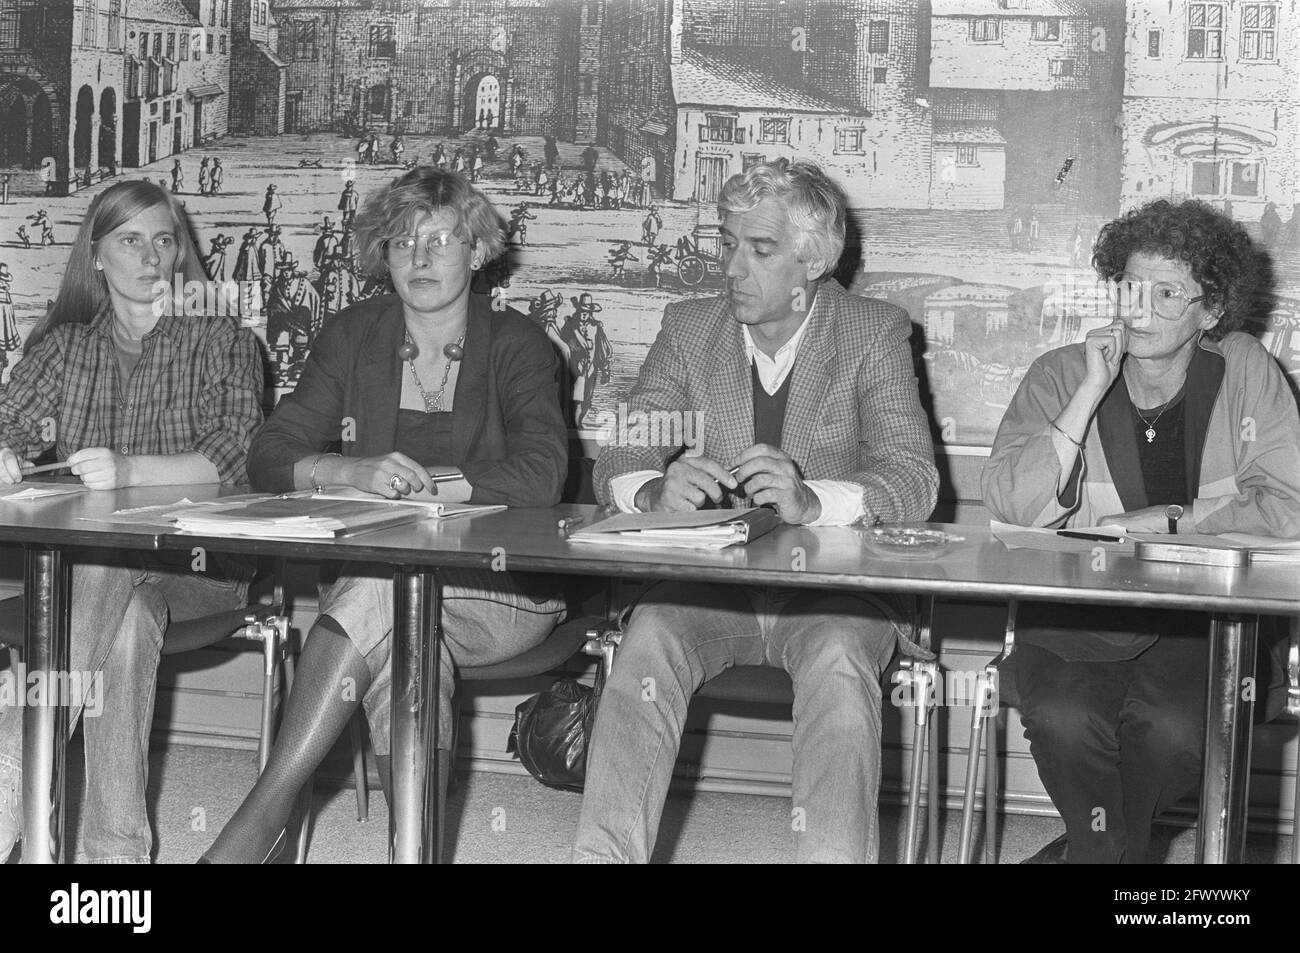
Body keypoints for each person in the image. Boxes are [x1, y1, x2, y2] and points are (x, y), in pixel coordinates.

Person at [572, 159, 939, 864]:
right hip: (712, 596)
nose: (732, 267)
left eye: (760, 249)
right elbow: (621, 449)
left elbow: (913, 477)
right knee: (648, 631)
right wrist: (651, 489)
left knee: (836, 656)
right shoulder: (689, 328)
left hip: (837, 596)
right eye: (727, 241)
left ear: (813, 260)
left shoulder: (873, 332)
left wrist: (812, 498)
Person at [201, 167, 568, 863]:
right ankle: (414, 852)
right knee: (404, 633)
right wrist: (349, 470)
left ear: (479, 249)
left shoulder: (519, 344)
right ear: (383, 256)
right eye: (403, 244)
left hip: (502, 588)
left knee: (386, 593)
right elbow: (270, 451)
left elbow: (542, 472)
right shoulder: (353, 333)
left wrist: (433, 485)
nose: (421, 259)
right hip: (388, 593)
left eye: (440, 240)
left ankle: (264, 815)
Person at [982, 198, 1300, 864]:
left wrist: (1172, 520)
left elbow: (1290, 505)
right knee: (1066, 720)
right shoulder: (1061, 373)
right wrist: (1087, 393)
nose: (1141, 307)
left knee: (1175, 730)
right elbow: (1011, 505)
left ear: (1210, 310)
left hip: (1214, 616)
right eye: (1131, 286)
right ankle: (1109, 856)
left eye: (1167, 292)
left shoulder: (1243, 370)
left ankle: (1094, 853)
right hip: (1083, 611)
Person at [0, 180, 263, 863]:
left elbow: (235, 454)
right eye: (129, 240)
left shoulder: (220, 339)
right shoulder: (64, 349)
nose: (150, 256)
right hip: (102, 585)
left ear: (180, 254)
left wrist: (131, 469)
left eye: (163, 239)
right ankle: (115, 866)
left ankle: (3, 798)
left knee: (108, 564)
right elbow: (9, 418)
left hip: (202, 570)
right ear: (96, 256)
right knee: (126, 618)